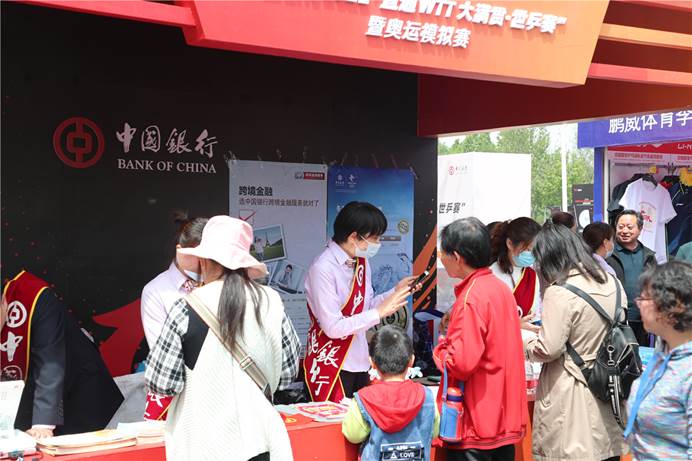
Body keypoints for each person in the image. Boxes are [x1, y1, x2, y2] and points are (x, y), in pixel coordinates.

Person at [145, 216, 301, 461]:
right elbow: (288, 373)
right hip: (260, 440)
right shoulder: (271, 301)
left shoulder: (186, 307)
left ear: (204, 260)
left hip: (204, 445)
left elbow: (162, 383)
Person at [524, 223, 628, 461]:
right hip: (609, 389)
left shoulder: (560, 291)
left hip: (571, 393)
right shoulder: (613, 282)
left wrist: (525, 341)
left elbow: (548, 348)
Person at [434, 217, 527, 461]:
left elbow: (461, 363)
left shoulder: (471, 297)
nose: (441, 259)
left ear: (457, 256)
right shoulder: (500, 289)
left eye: (442, 253)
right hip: (503, 420)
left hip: (476, 423)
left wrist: (441, 350)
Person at [304, 201, 416, 401]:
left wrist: (395, 292)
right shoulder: (323, 268)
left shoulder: (361, 261)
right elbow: (333, 328)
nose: (378, 243)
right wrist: (378, 313)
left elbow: (366, 305)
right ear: (354, 236)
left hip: (360, 360)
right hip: (332, 364)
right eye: (375, 238)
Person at [1, 271, 123, 438]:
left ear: (4, 302)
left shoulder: (34, 296)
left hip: (77, 394)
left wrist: (42, 425)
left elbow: (50, 363)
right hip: (24, 404)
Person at [624, 261, 691, 461]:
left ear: (673, 307)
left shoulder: (687, 370)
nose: (638, 303)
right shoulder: (663, 352)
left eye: (644, 298)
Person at [342, 325, 439, 461]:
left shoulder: (364, 398)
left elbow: (353, 435)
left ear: (372, 363)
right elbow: (434, 432)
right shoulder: (427, 396)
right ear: (411, 361)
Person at [141, 213, 208, 350]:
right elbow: (162, 351)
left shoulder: (222, 283)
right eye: (198, 256)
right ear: (180, 252)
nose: (204, 263)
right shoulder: (155, 291)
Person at [607, 210, 657, 346]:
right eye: (621, 227)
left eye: (629, 227)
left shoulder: (648, 256)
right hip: (614, 320)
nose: (624, 231)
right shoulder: (608, 254)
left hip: (642, 320)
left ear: (640, 229)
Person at [489, 217, 542, 333]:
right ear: (509, 244)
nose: (532, 255)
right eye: (528, 250)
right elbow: (484, 321)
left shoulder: (531, 276)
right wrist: (514, 325)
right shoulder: (490, 274)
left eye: (535, 251)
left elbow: (533, 317)